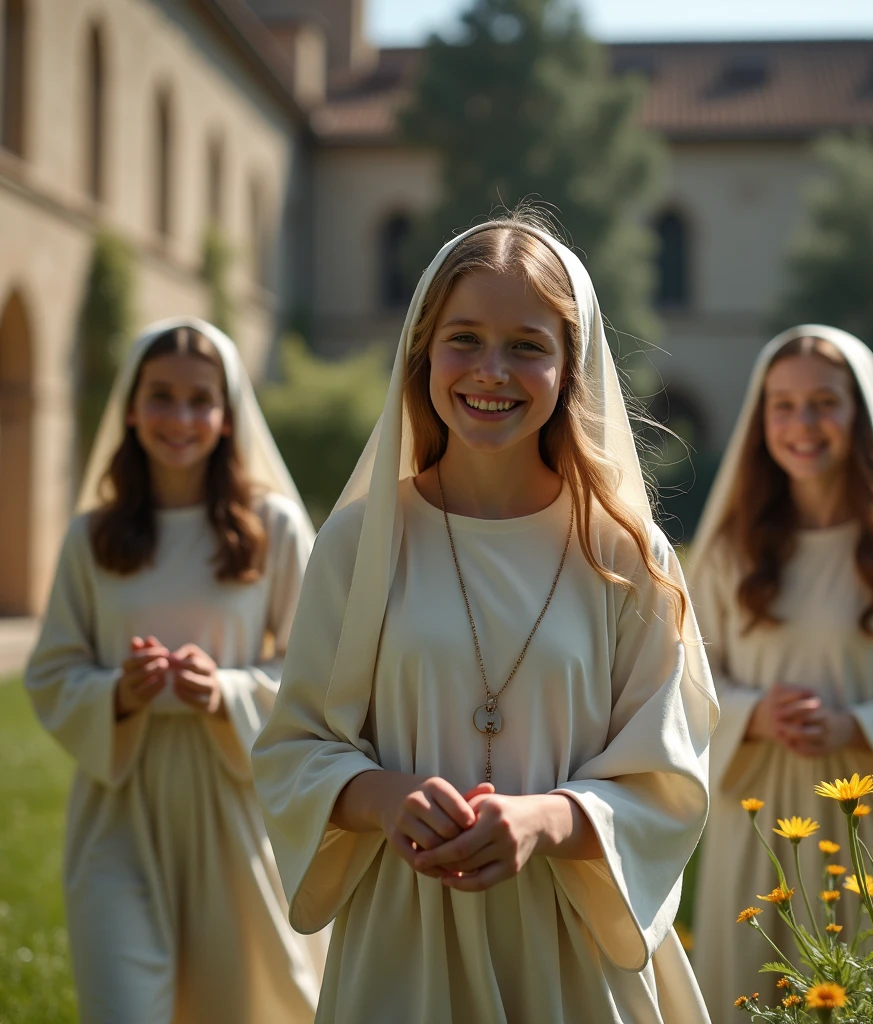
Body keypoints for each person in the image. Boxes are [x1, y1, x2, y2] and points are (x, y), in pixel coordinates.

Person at [252, 216, 719, 1023]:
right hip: (404, 940)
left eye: (528, 345)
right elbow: (294, 750)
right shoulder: (361, 541)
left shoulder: (627, 555)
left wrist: (545, 820)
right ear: (422, 352)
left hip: (570, 944)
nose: (491, 371)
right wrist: (386, 797)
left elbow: (670, 774)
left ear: (570, 364)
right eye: (464, 338)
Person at [687, 326, 873, 1018]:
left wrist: (855, 725)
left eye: (824, 402)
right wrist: (751, 713)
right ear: (761, 418)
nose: (803, 424)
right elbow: (681, 680)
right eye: (784, 405)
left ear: (860, 415)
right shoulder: (729, 549)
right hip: (759, 834)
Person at [25, 318, 327, 1024]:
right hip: (119, 812)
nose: (181, 418)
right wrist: (119, 696)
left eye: (201, 400)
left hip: (237, 809)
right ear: (131, 407)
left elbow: (323, 670)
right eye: (162, 397)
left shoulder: (274, 529)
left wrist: (225, 691)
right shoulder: (91, 537)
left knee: (249, 1004)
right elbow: (51, 671)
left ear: (227, 416)